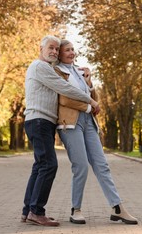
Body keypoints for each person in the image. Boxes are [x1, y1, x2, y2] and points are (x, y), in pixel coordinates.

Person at [54, 39, 138, 225]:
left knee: (102, 165)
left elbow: (94, 98)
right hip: (70, 123)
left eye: (73, 49)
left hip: (89, 122)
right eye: (67, 50)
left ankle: (117, 208)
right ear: (59, 54)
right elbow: (64, 99)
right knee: (81, 166)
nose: (72, 53)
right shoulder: (58, 72)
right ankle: (76, 209)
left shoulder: (79, 71)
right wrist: (88, 105)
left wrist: (90, 82)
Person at [21, 35, 100, 227]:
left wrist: (85, 78)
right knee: (49, 165)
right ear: (40, 48)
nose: (54, 52)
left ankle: (27, 210)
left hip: (42, 121)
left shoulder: (47, 67)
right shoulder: (40, 67)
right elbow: (64, 88)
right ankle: (36, 212)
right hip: (38, 120)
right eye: (51, 48)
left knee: (40, 166)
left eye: (57, 49)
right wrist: (89, 100)